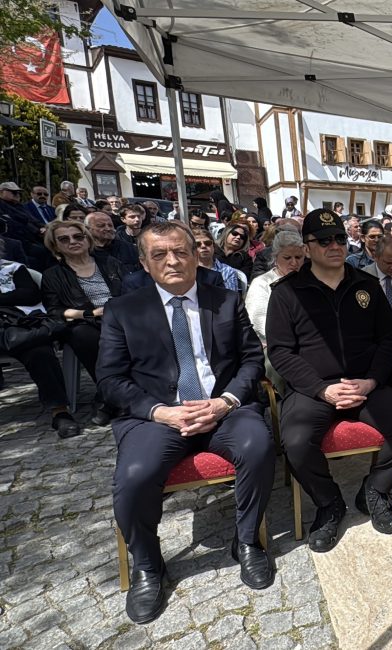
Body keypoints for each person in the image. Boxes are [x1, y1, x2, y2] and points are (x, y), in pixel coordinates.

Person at [96, 221, 275, 624]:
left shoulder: (227, 301)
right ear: (143, 262)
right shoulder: (123, 310)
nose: (172, 261)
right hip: (158, 416)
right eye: (159, 254)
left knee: (259, 445)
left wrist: (225, 402)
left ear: (197, 255)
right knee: (136, 475)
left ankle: (246, 541)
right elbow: (110, 380)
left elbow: (250, 360)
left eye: (181, 251)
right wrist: (161, 412)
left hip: (222, 409)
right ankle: (147, 564)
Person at [266, 209, 392, 549]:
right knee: (296, 442)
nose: (334, 246)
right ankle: (329, 502)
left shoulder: (365, 285)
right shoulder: (287, 292)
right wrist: (322, 389)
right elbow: (281, 351)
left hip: (364, 384)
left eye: (338, 238)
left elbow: (388, 339)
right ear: (307, 247)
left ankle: (375, 490)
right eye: (323, 240)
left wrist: (372, 382)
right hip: (314, 389)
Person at [41, 219, 124, 424]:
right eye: (64, 239)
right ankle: (114, 394)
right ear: (55, 245)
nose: (73, 241)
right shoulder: (53, 275)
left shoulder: (110, 263)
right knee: (82, 335)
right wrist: (90, 314)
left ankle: (107, 398)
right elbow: (55, 311)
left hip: (122, 316)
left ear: (87, 239)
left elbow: (130, 289)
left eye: (78, 236)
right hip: (87, 323)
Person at [0, 240, 81, 437]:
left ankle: (60, 412)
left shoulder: (13, 268)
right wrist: (11, 296)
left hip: (18, 326)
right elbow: (19, 295)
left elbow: (30, 294)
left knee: (40, 351)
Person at [245, 230, 305, 386]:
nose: (294, 262)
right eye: (287, 258)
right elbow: (259, 323)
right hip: (274, 346)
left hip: (308, 342)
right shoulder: (262, 284)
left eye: (298, 257)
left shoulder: (309, 281)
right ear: (275, 257)